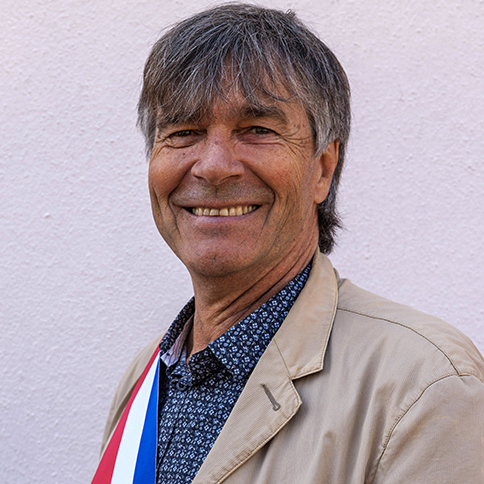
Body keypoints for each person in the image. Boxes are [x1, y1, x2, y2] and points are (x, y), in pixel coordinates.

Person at [91, 4, 484, 483]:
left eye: (257, 130)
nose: (213, 166)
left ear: (323, 169)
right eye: (184, 132)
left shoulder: (423, 384)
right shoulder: (147, 377)